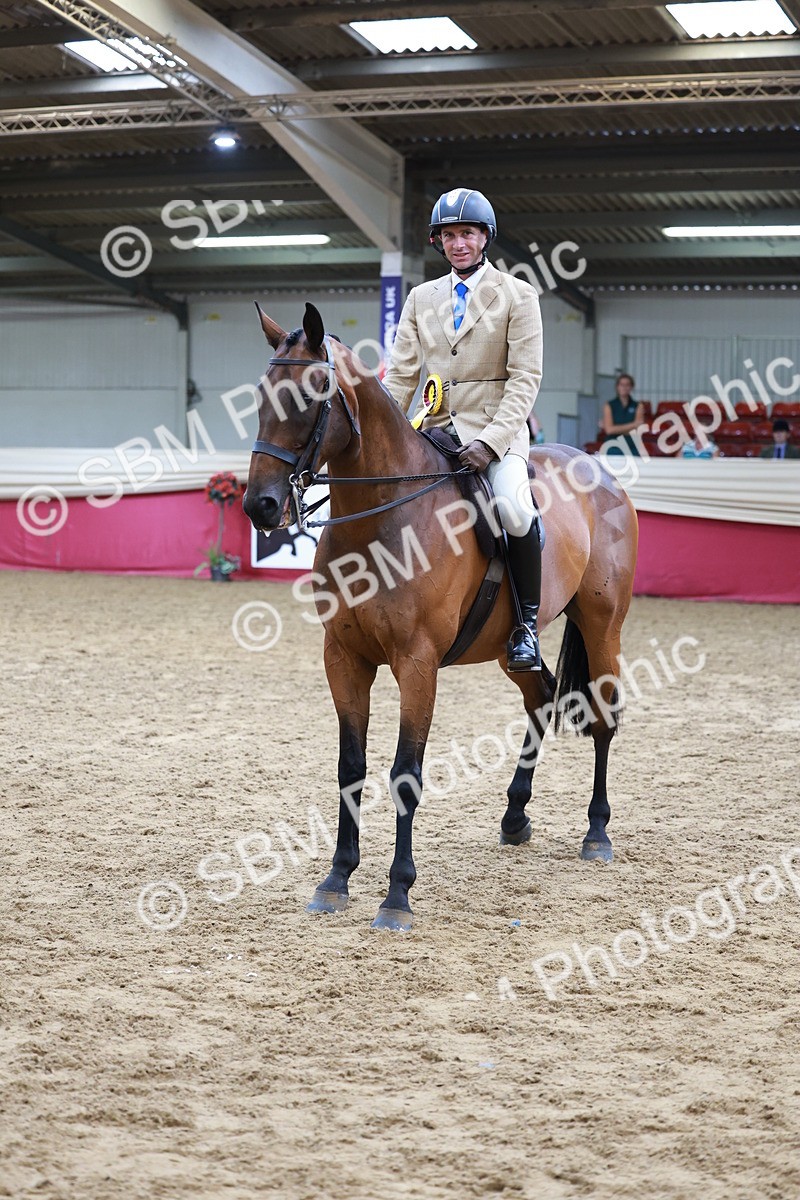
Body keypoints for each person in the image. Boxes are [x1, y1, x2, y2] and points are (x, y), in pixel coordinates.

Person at [382, 187, 543, 671]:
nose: (458, 244)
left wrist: (491, 443)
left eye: (467, 234)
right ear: (438, 241)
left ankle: (525, 627)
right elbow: (401, 377)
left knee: (514, 510)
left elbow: (525, 378)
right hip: (433, 428)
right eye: (449, 235)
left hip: (496, 431)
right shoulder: (420, 297)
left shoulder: (518, 294)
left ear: (484, 237)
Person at [601, 374, 645, 456]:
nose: (624, 387)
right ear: (617, 387)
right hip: (613, 446)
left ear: (631, 387)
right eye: (622, 385)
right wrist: (633, 425)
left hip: (632, 446)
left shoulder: (638, 406)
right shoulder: (609, 405)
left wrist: (616, 429)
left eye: (627, 385)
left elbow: (638, 430)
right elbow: (609, 430)